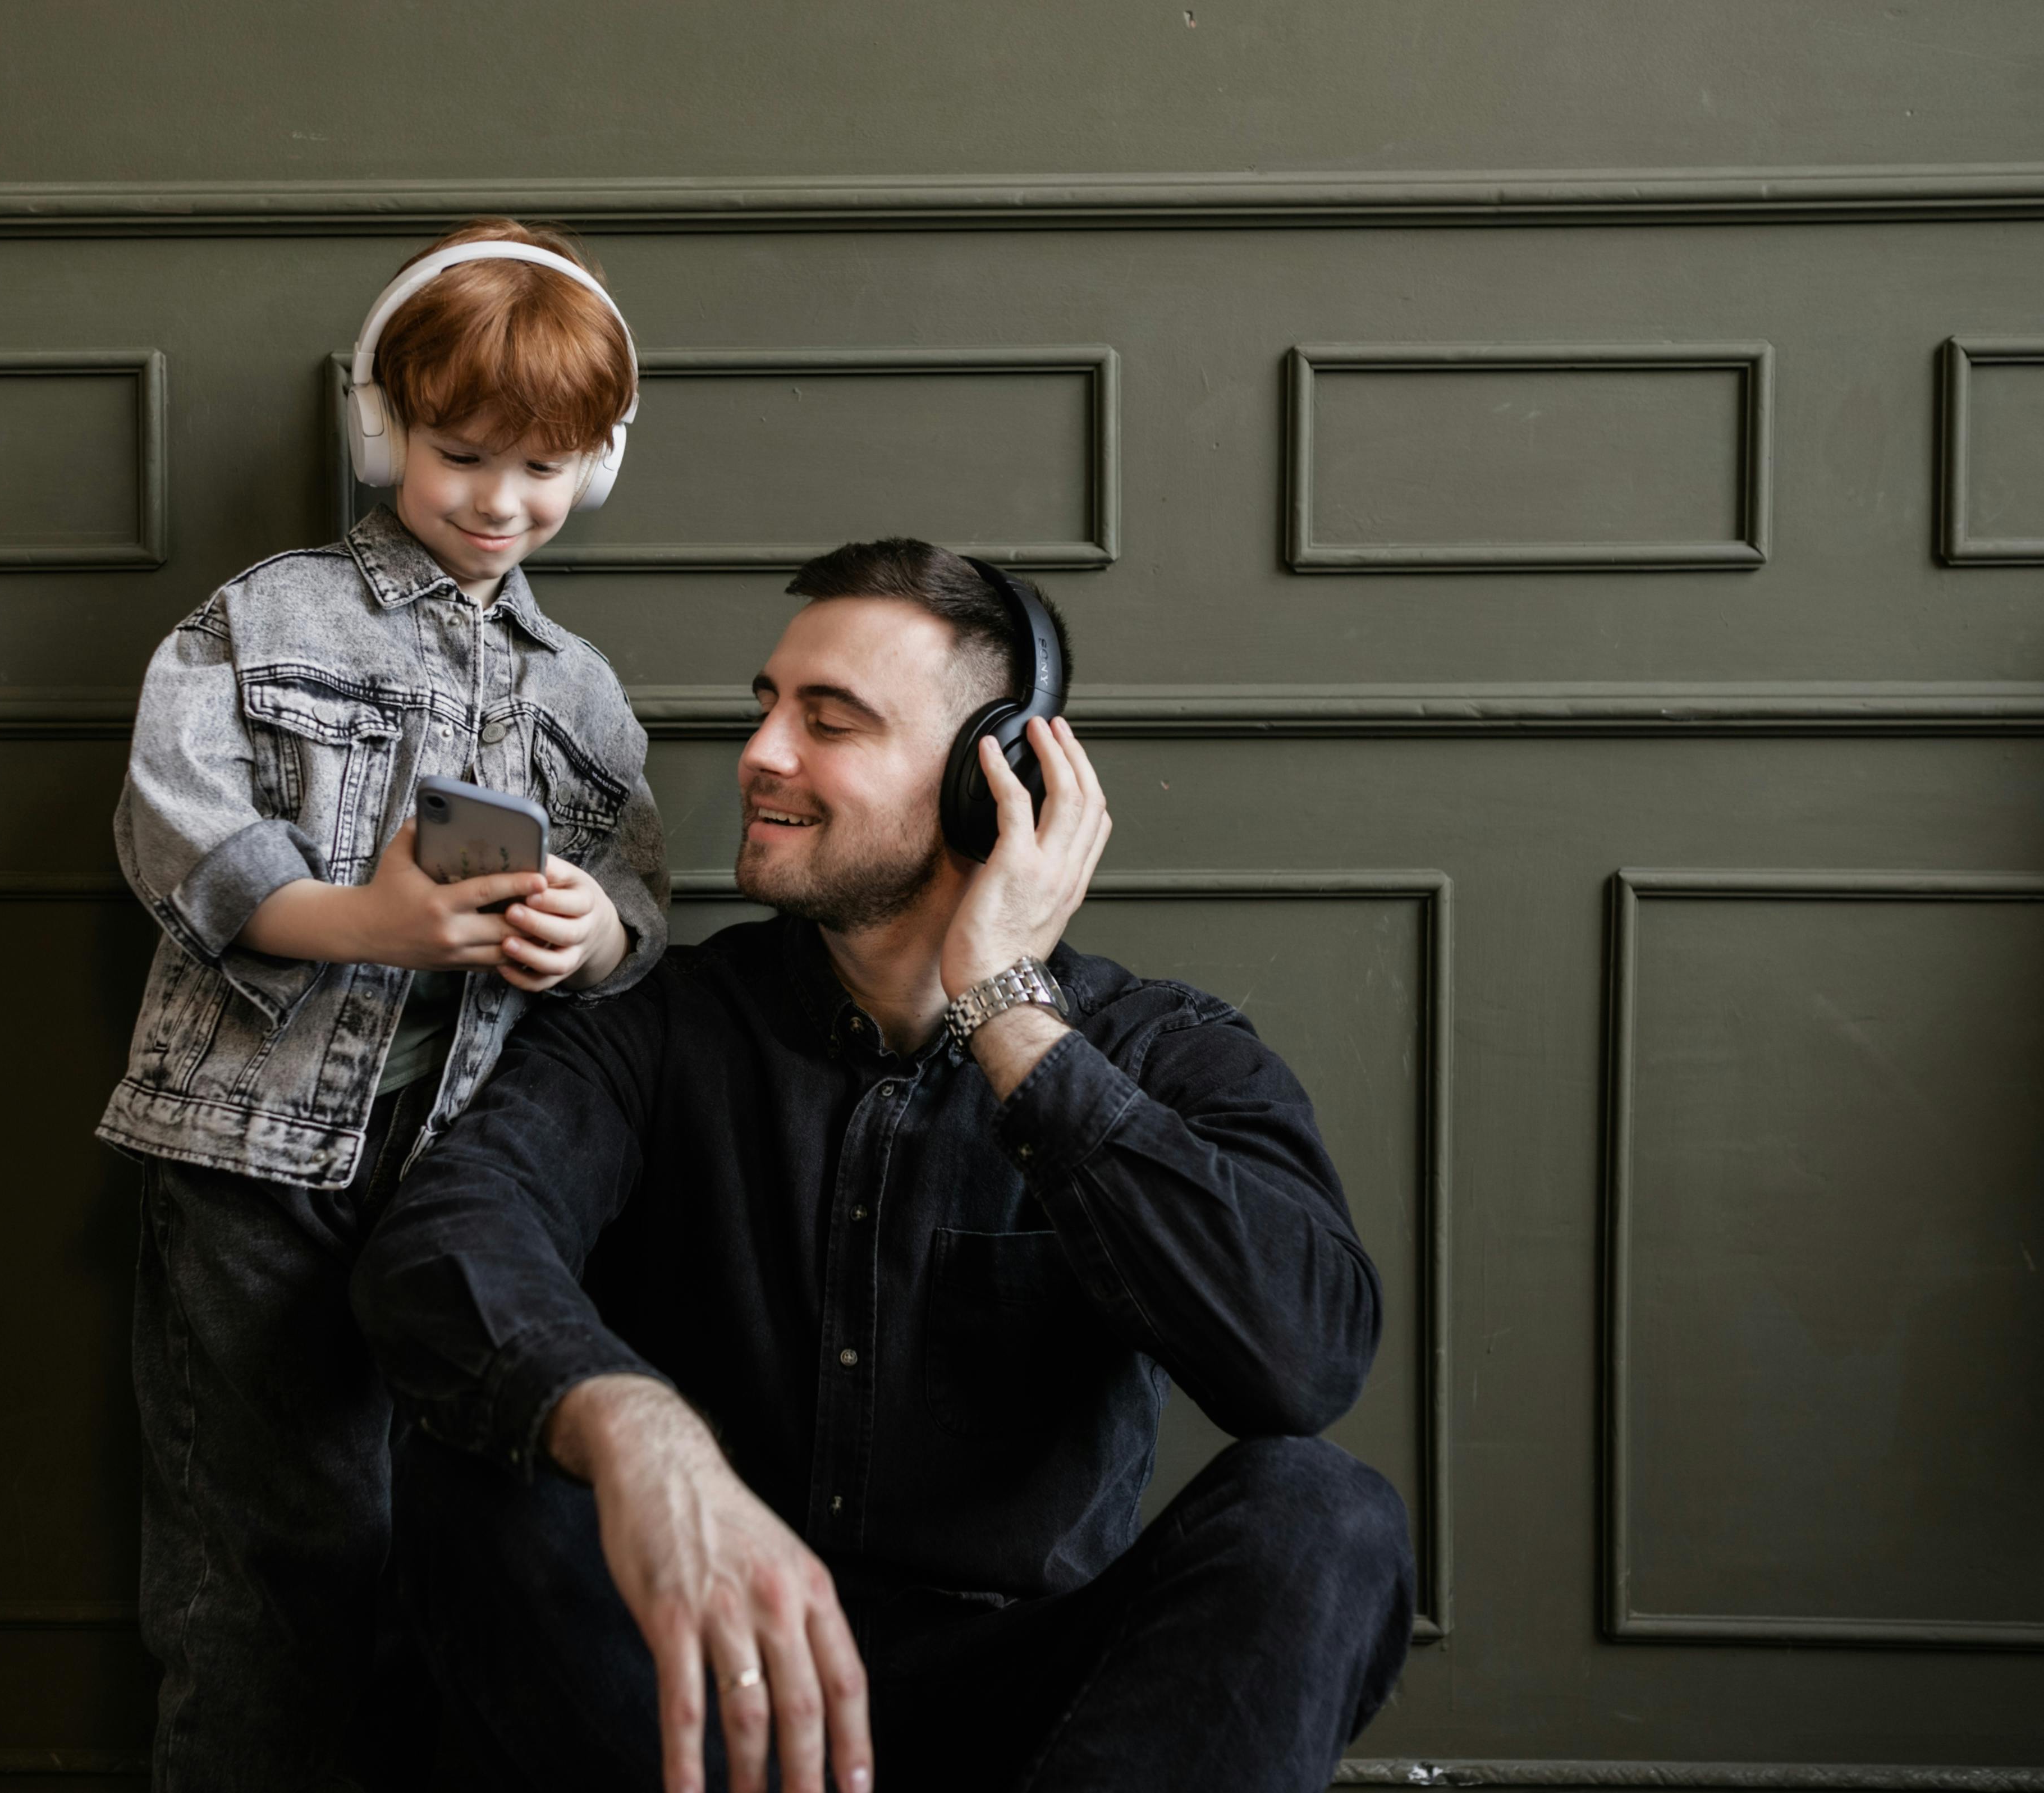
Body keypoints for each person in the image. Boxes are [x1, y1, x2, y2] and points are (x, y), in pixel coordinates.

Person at [351, 539, 1414, 1793]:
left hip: (1032, 1720)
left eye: (830, 723)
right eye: (766, 708)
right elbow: (446, 1234)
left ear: (990, 784)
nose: (758, 755)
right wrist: (639, 1433)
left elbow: (1301, 1360)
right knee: (475, 1466)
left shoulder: (1160, 1050)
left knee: (1326, 1516)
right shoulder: (662, 1021)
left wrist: (1010, 1018)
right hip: (703, 1705)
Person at [97, 218, 670, 1792]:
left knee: (454, 1550)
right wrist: (368, 921)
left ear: (600, 467)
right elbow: (180, 830)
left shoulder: (582, 689)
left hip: (459, 1182)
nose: (502, 502)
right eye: (462, 453)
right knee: (267, 1561)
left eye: (546, 469)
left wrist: (589, 936)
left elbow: (640, 888)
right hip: (253, 1157)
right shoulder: (268, 619)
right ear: (381, 428)